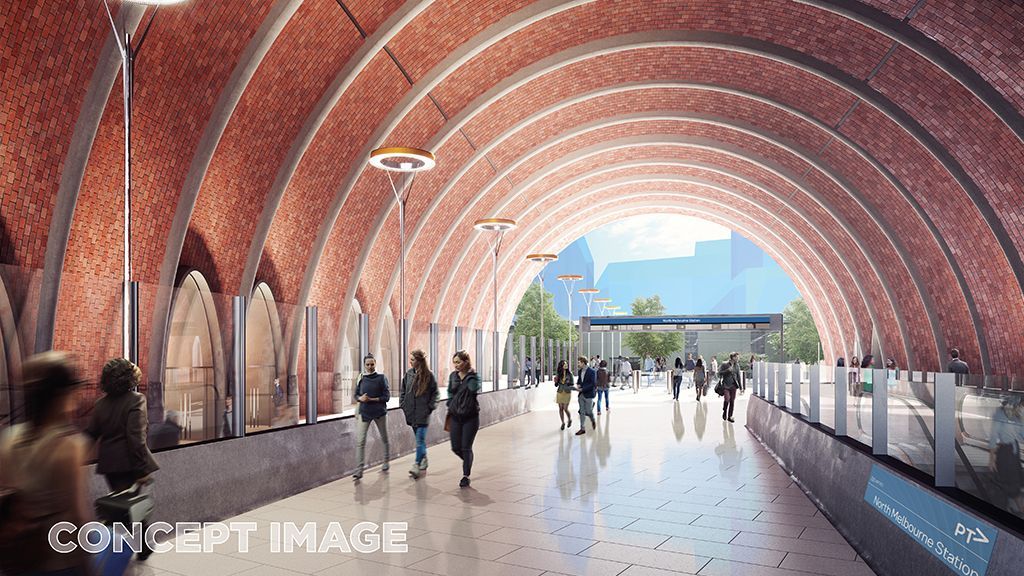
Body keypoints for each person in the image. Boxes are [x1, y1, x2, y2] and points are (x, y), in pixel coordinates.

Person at [0, 352, 93, 575]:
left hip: (20, 554)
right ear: (61, 396)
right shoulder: (70, 445)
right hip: (60, 557)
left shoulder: (10, 437)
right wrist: (89, 564)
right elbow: (78, 513)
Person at [86, 357, 160, 561]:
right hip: (130, 464)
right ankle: (108, 550)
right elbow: (136, 439)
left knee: (124, 506)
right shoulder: (136, 400)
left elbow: (91, 434)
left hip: (110, 465)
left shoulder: (101, 404)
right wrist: (142, 470)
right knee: (128, 509)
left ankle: (140, 547)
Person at [401, 349, 438, 480]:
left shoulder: (429, 375)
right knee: (419, 440)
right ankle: (424, 459)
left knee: (419, 440)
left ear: (419, 361)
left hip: (423, 413)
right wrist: (403, 404)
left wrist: (430, 407)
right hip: (411, 412)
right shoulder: (408, 374)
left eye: (412, 359)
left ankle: (416, 465)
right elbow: (403, 391)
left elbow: (435, 393)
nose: (410, 362)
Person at [353, 354, 390, 480]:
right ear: (364, 365)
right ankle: (359, 469)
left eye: (372, 364)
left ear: (375, 364)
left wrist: (372, 399)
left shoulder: (381, 378)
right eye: (367, 364)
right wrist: (360, 398)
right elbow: (356, 395)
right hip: (365, 413)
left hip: (379, 412)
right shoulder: (361, 378)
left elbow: (387, 397)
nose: (369, 367)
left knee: (384, 438)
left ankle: (386, 461)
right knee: (360, 441)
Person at [448, 351, 481, 488]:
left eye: (458, 362)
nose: (456, 365)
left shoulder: (473, 377)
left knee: (466, 447)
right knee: (456, 447)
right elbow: (450, 392)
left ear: (465, 362)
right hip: (455, 416)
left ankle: (465, 475)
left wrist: (470, 375)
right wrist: (450, 404)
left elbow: (475, 389)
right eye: (454, 362)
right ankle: (468, 459)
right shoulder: (453, 376)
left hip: (470, 417)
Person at [989, 396, 1023, 512]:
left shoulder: (1017, 416)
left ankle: (1012, 507)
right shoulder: (1000, 414)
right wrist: (992, 458)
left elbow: (1021, 435)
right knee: (1011, 480)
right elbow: (994, 436)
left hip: (1014, 450)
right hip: (1006, 451)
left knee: (1013, 478)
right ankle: (1020, 508)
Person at [575, 356, 597, 435]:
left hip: (589, 394)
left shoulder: (592, 371)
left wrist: (583, 389)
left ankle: (593, 420)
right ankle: (582, 428)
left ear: (583, 362)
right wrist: (578, 384)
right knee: (582, 411)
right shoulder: (580, 371)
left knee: (589, 411)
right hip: (581, 395)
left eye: (579, 362)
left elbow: (593, 384)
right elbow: (580, 380)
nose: (578, 364)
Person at [719, 352, 740, 423]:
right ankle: (724, 411)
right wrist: (727, 371)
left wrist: (741, 387)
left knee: (732, 401)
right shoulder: (725, 364)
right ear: (733, 357)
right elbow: (719, 373)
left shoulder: (737, 365)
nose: (738, 358)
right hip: (726, 385)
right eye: (737, 357)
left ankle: (730, 416)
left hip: (734, 385)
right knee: (727, 400)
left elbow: (738, 376)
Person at [554, 360, 574, 430]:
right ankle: (562, 423)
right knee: (560, 408)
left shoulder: (570, 374)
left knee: (565, 408)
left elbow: (572, 383)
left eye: (566, 364)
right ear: (561, 366)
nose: (566, 365)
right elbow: (556, 385)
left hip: (567, 392)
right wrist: (556, 381)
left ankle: (569, 419)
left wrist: (567, 383)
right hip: (560, 392)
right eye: (564, 364)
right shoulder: (558, 374)